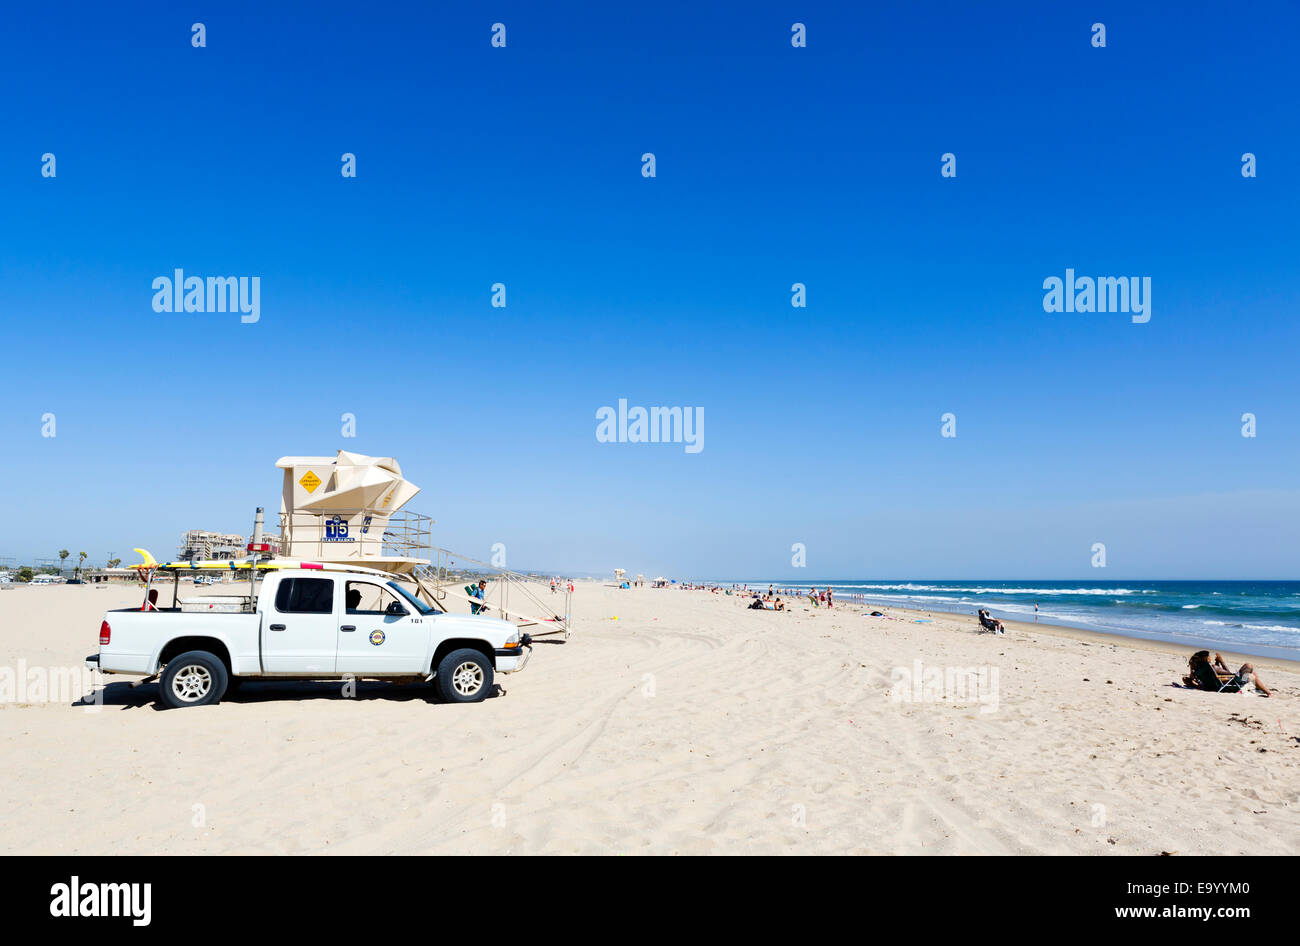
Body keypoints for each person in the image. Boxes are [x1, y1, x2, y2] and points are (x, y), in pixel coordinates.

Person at [1184, 650, 1271, 697]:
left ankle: (1256, 688)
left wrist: (1217, 663)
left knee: (1249, 674)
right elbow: (1228, 674)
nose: (1211, 657)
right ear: (1207, 659)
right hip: (1231, 685)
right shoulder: (1213, 667)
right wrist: (1221, 661)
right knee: (1250, 670)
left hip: (1213, 686)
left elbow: (1214, 675)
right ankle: (1268, 693)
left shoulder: (1199, 669)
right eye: (1209, 656)